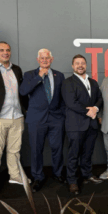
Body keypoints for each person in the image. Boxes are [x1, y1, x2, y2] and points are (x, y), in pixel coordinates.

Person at [20, 48, 65, 192]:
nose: (45, 60)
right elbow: (23, 91)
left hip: (55, 119)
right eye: (42, 58)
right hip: (36, 119)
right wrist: (39, 77)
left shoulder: (60, 75)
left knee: (57, 148)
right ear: (38, 60)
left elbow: (62, 97)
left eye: (47, 58)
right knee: (36, 149)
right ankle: (37, 177)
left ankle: (58, 173)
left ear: (51, 59)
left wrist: (61, 114)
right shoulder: (29, 74)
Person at [61, 54, 103, 195]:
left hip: (91, 125)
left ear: (86, 65)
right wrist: (89, 112)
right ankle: (72, 181)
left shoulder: (93, 82)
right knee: (74, 154)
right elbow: (71, 103)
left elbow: (99, 98)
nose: (80, 65)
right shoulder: (68, 82)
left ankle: (87, 174)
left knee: (88, 152)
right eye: (77, 63)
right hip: (75, 125)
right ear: (73, 66)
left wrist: (95, 109)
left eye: (83, 63)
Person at [0, 41, 29, 185]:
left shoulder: (16, 69)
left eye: (8, 50)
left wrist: (25, 110)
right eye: (2, 50)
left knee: (14, 150)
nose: (5, 52)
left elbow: (22, 93)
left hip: (17, 116)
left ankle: (15, 176)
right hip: (1, 117)